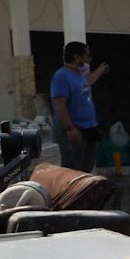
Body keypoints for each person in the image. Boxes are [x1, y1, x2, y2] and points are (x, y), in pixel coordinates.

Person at [50, 40, 102, 172]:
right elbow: (59, 104)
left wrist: (100, 70)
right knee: (72, 170)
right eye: (86, 55)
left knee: (86, 169)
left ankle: (84, 193)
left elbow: (87, 82)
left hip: (87, 127)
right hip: (73, 129)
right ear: (76, 57)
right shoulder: (61, 76)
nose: (88, 58)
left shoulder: (78, 75)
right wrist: (70, 128)